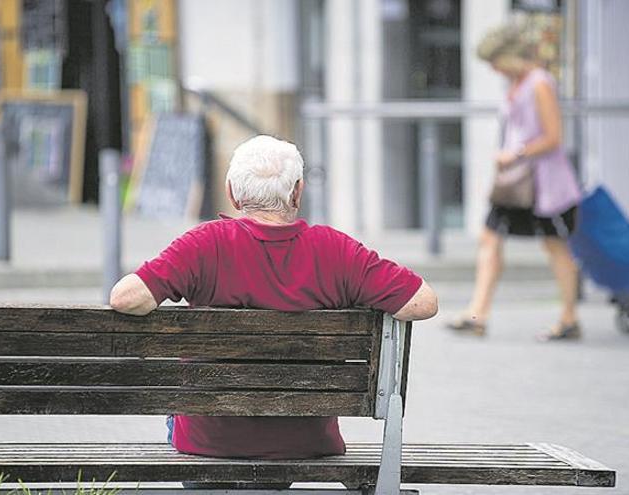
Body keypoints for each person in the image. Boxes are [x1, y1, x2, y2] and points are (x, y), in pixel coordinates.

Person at [110, 135, 438, 461]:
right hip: (305, 442)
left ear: (232, 194)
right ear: (298, 191)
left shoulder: (203, 245)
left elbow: (126, 299)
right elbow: (423, 302)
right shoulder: (336, 250)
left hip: (211, 441)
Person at [447, 23, 582, 341]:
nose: (493, 70)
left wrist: (515, 154)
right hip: (515, 183)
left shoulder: (539, 83)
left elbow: (553, 137)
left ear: (509, 56)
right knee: (490, 238)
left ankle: (569, 318)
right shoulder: (519, 82)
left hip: (545, 185)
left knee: (555, 246)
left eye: (494, 62)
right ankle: (477, 314)